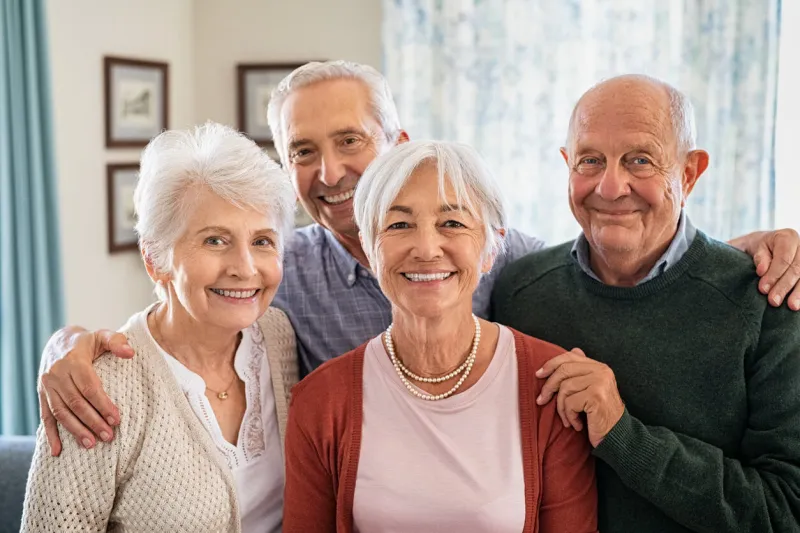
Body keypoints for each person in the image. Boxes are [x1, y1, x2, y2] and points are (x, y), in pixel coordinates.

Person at [37, 61, 800, 454]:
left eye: (349, 142)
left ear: (395, 146)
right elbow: (183, 315)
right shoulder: (276, 273)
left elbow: (615, 244)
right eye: (302, 150)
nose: (330, 172)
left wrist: (752, 248)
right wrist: (67, 345)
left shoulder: (503, 263)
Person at [492, 75, 800, 532]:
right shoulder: (519, 291)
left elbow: (785, 511)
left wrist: (622, 433)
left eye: (640, 160)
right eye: (590, 160)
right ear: (566, 165)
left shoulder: (767, 301)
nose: (611, 187)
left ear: (689, 174)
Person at [283, 140, 598, 532]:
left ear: (490, 246)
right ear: (368, 245)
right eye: (399, 225)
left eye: (452, 223)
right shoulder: (319, 401)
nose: (427, 248)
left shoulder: (549, 387)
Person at [21, 123, 298, 532]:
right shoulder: (96, 390)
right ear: (155, 259)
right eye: (215, 241)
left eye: (262, 241)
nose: (245, 268)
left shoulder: (279, 336)